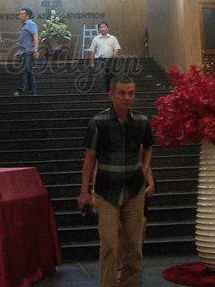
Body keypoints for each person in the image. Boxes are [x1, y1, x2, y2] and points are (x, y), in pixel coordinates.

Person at [77, 75, 154, 287]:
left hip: (134, 189)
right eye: (122, 93)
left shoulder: (141, 121)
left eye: (131, 93)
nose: (127, 97)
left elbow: (148, 147)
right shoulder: (98, 122)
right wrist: (84, 192)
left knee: (134, 247)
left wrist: (145, 168)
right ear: (112, 95)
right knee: (109, 245)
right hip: (106, 190)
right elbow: (89, 158)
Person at [88, 22, 121, 92]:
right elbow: (92, 52)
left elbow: (116, 48)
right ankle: (102, 93)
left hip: (111, 60)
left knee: (111, 77)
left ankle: (111, 92)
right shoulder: (96, 39)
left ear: (107, 28)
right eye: (101, 27)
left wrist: (115, 53)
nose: (103, 28)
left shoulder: (113, 38)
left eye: (104, 27)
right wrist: (92, 63)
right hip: (100, 61)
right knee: (101, 77)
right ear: (99, 29)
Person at [13, 7, 38, 96]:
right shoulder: (25, 25)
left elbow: (35, 36)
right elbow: (25, 41)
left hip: (28, 52)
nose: (19, 16)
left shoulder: (31, 24)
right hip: (24, 52)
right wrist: (20, 51)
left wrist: (35, 50)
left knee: (24, 71)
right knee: (29, 72)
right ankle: (32, 92)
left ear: (27, 16)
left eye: (21, 14)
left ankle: (20, 91)